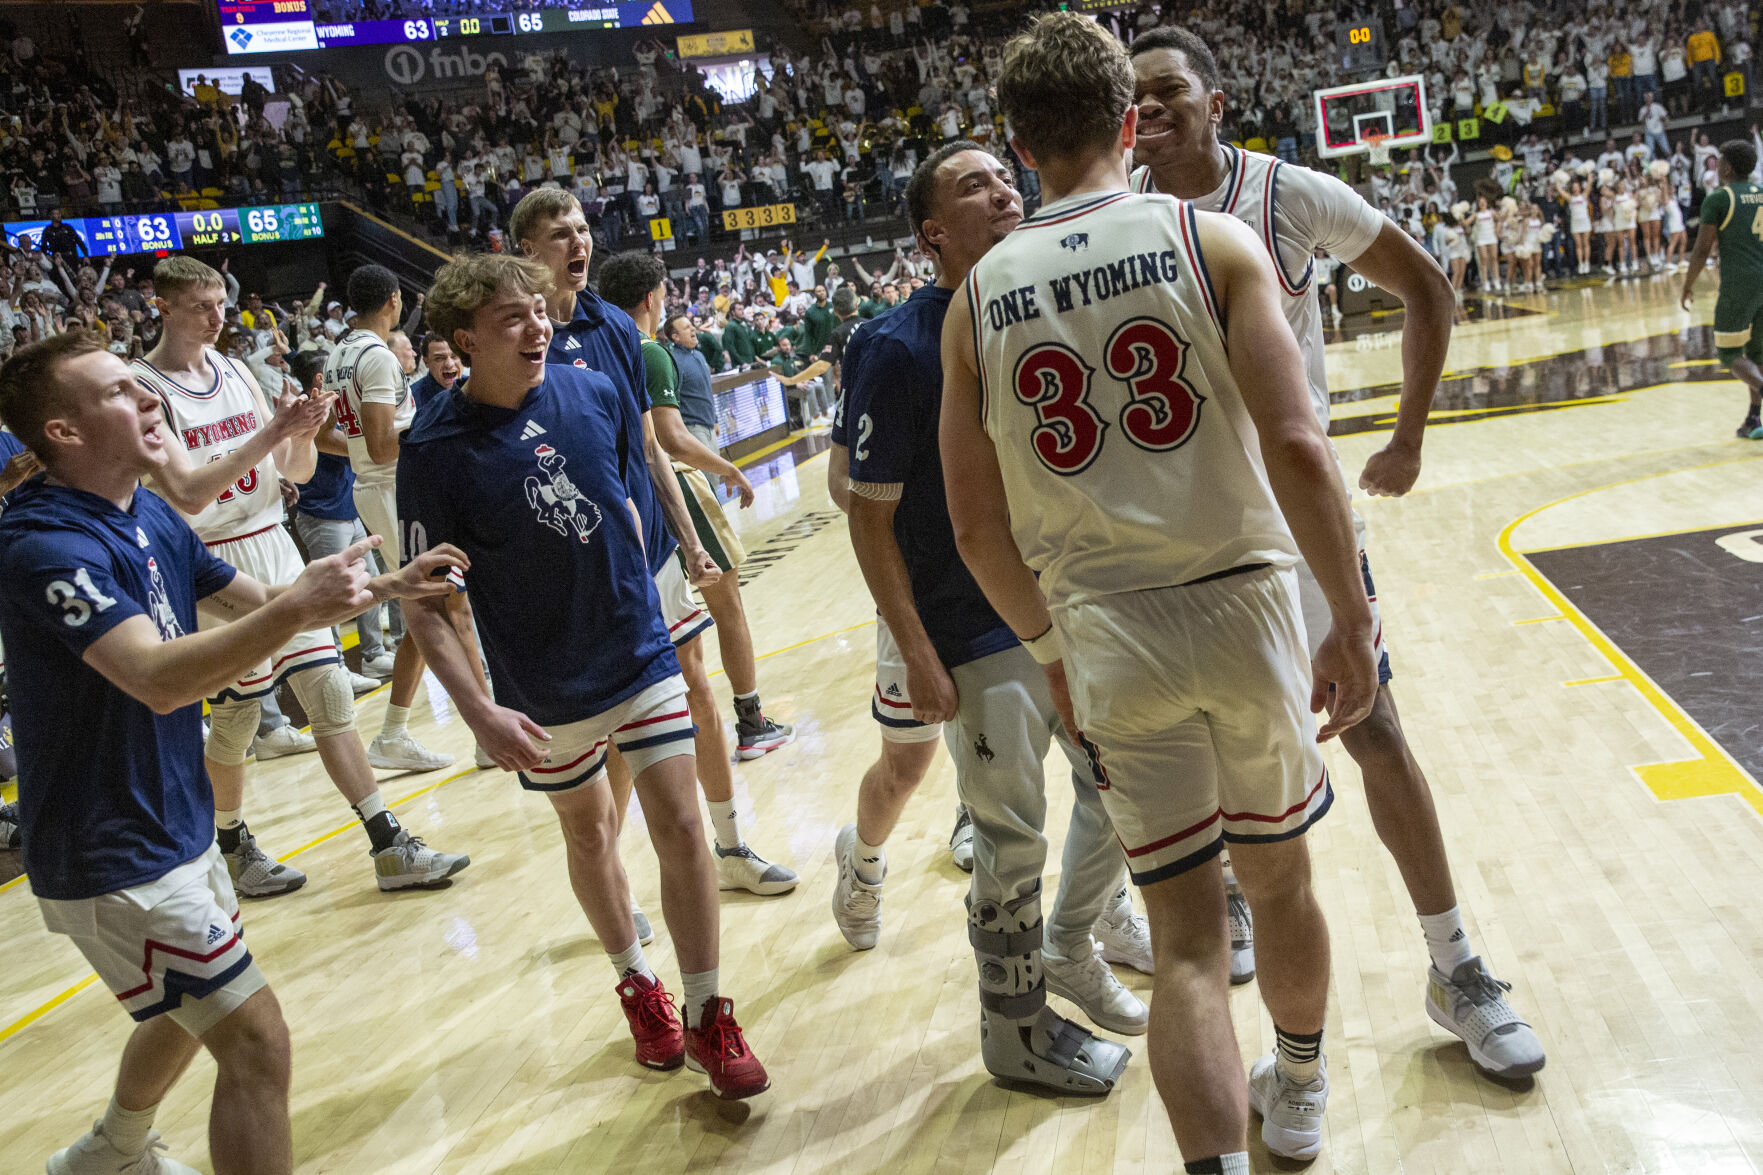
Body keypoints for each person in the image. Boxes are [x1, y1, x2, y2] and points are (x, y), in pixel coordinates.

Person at [944, 13, 1381, 1166]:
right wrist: (1348, 613)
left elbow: (974, 528)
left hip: (1104, 634)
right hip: (1241, 603)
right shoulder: (1212, 241)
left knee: (1185, 946)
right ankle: (1292, 1082)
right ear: (1126, 123)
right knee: (1278, 887)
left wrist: (1049, 653)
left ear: (1020, 143)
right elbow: (1296, 444)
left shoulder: (974, 297)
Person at [1128, 25, 1543, 1079]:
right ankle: (1270, 1008)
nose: (1153, 107)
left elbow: (1427, 289)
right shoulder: (1115, 216)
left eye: (1171, 88)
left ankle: (1455, 964)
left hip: (1292, 522)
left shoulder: (1289, 197)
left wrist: (1406, 433)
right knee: (1219, 765)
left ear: (1217, 102)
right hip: (1179, 542)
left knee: (1374, 730)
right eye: (1137, 96)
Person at [0, 332, 464, 1175]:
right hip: (110, 850)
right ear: (62, 431)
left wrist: (390, 585)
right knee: (255, 1040)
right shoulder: (44, 546)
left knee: (179, 1007)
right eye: (119, 392)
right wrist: (293, 614)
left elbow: (257, 599)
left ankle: (110, 1152)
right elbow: (153, 679)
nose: (150, 400)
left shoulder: (144, 513)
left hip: (174, 820)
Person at [396, 252, 771, 1100]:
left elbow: (624, 499)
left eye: (537, 310)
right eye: (510, 319)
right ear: (464, 340)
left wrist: (666, 572)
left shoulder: (592, 389)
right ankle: (638, 982)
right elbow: (424, 603)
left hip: (636, 646)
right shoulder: (434, 449)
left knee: (680, 822)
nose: (536, 326)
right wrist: (479, 713)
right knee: (591, 833)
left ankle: (710, 1010)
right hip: (542, 682)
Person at [835, 140, 1149, 1093]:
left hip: (1070, 607)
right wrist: (919, 652)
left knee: (1120, 790)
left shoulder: (1034, 304)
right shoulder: (894, 346)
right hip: (972, 632)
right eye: (973, 184)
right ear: (933, 232)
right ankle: (1012, 1034)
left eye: (1003, 174)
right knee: (1009, 838)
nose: (1003, 186)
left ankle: (1072, 938)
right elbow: (868, 515)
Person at [130, 256, 470, 896]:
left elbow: (300, 470)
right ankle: (230, 843)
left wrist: (302, 434)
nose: (218, 316)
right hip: (211, 557)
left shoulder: (236, 370)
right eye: (203, 306)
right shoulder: (143, 384)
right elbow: (189, 492)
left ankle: (388, 843)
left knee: (330, 692)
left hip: (274, 543)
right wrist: (270, 435)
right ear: (163, 306)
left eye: (221, 303)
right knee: (235, 718)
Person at [509, 189, 798, 896]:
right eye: (556, 234)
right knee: (608, 727)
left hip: (652, 554)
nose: (576, 243)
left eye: (581, 230)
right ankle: (611, 879)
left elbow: (647, 445)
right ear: (526, 252)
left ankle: (730, 845)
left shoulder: (613, 328)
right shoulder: (516, 338)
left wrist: (686, 535)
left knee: (695, 687)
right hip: (578, 556)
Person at [323, 264, 455, 772]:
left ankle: (407, 730)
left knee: (437, 601)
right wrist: (437, 425)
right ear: (395, 301)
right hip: (394, 487)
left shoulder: (339, 353)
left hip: (374, 487)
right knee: (433, 602)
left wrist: (361, 454)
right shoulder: (376, 356)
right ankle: (396, 732)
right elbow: (382, 445)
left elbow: (331, 438)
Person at [286, 351, 396, 680]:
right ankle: (335, 665)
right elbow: (345, 447)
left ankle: (373, 653)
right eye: (335, 373)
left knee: (371, 585)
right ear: (321, 379)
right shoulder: (309, 414)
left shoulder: (336, 409)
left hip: (346, 510)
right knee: (333, 593)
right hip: (322, 513)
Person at [1682, 139, 1763, 438]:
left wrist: (1687, 285)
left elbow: (1702, 249)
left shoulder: (1718, 199)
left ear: (1727, 166)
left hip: (1740, 282)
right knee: (1758, 355)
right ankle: (1754, 419)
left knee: (1729, 354)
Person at [411, 333, 463, 410]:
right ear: (426, 362)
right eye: (439, 358)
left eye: (454, 356)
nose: (449, 364)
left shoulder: (477, 390)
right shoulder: (412, 398)